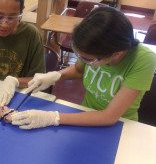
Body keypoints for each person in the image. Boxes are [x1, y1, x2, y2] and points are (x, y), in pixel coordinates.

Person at [11, 7, 156, 129]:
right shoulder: (94, 48)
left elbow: (109, 116)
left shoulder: (143, 60)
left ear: (116, 54)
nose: (83, 60)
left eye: (87, 59)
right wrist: (56, 75)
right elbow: (79, 70)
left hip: (120, 125)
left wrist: (53, 117)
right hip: (85, 113)